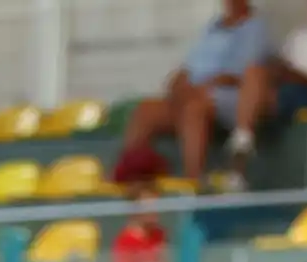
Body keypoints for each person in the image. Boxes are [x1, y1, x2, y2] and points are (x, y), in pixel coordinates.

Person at [117, 0, 275, 186]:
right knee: (146, 110)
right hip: (194, 91)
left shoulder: (256, 28)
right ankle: (128, 176)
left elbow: (243, 75)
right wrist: (177, 83)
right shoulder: (212, 28)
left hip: (227, 97)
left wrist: (204, 86)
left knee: (193, 108)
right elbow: (189, 66)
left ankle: (193, 181)